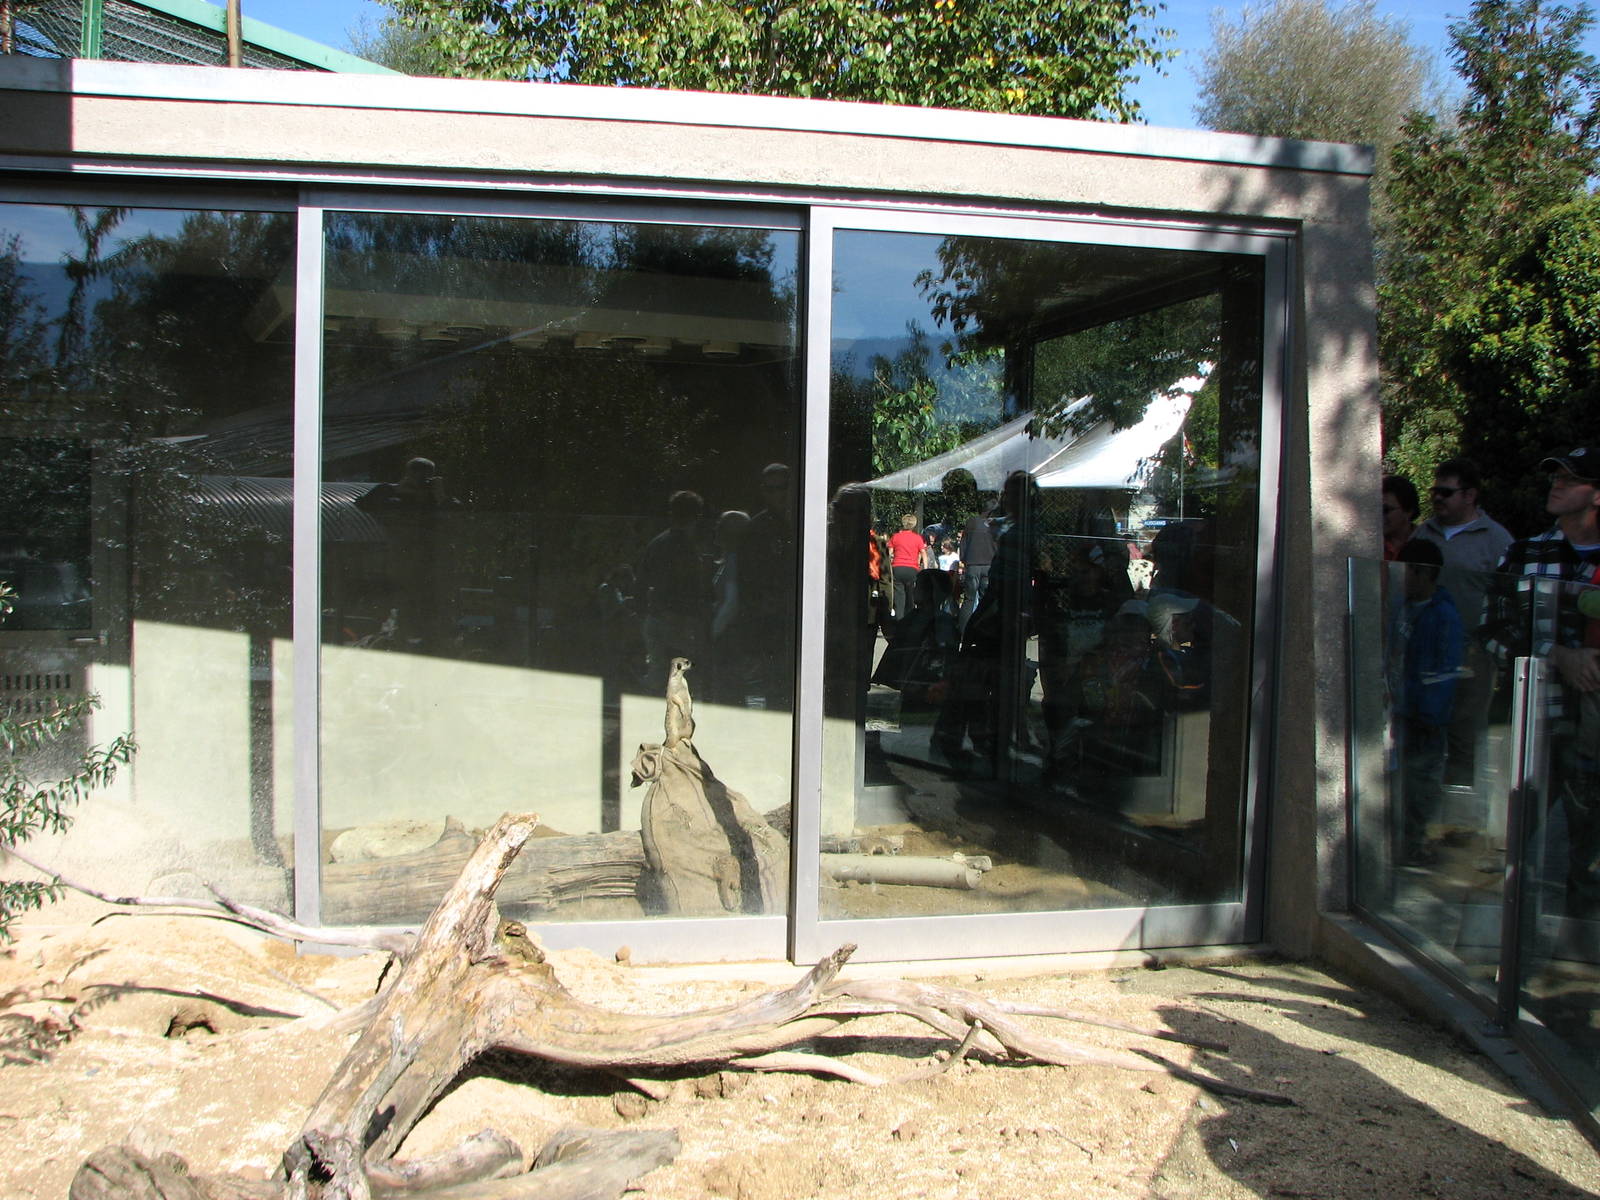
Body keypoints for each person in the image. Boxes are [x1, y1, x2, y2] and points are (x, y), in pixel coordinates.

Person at [1484, 447, 1600, 913]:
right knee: (1515, 852)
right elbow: (1490, 630)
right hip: (1536, 730)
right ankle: (1511, 946)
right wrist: (1556, 656)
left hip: (1595, 737)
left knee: (1587, 864)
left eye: (1571, 478)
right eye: (1556, 475)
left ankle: (1578, 946)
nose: (1557, 483)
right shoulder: (1524, 553)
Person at [1411, 458, 1513, 786]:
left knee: (1465, 735)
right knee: (1421, 731)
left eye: (1446, 492)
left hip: (1472, 654)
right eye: (1434, 491)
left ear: (1470, 495)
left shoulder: (1497, 539)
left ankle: (1461, 810)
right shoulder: (1423, 532)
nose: (1437, 498)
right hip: (1424, 649)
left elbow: (1507, 600)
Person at [1387, 539, 1463, 865]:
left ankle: (1414, 844)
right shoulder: (1400, 606)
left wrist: (1427, 714)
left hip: (1424, 717)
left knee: (1420, 785)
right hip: (1399, 711)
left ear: (1423, 574)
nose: (1400, 579)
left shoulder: (1444, 615)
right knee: (1399, 781)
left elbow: (1445, 671)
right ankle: (1399, 843)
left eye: (1405, 572)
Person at [886, 513, 930, 625]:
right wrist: (925, 569)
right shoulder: (917, 538)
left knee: (899, 596)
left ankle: (899, 622)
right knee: (910, 595)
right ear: (914, 525)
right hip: (912, 569)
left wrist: (887, 567)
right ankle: (909, 621)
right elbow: (924, 554)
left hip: (897, 568)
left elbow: (889, 554)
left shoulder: (896, 537)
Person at [1382, 474, 1419, 561]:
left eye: (1385, 510)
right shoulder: (1370, 544)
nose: (1379, 515)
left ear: (1408, 511)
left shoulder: (1428, 542)